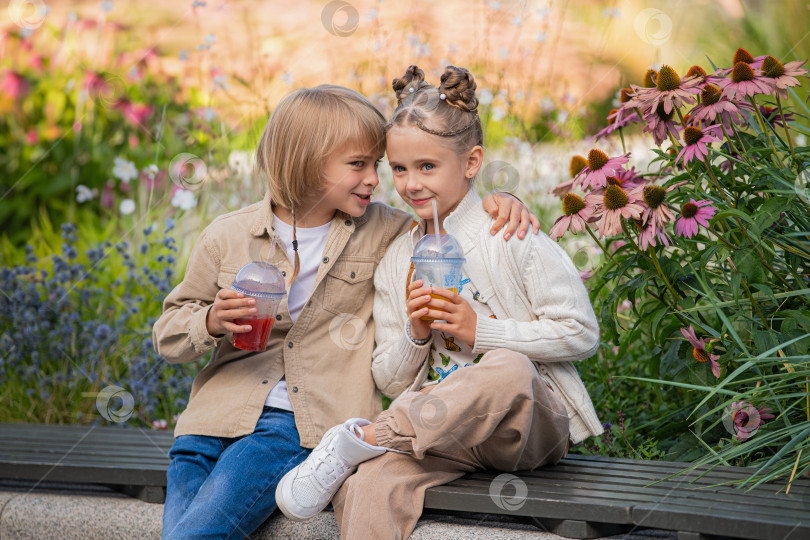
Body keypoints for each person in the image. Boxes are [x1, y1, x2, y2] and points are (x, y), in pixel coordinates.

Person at [153, 83, 538, 539]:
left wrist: (500, 201)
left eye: (375, 165)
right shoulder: (228, 235)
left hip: (294, 427)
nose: (375, 179)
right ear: (306, 163)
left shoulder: (384, 231)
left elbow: (447, 208)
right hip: (208, 421)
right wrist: (210, 321)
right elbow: (169, 337)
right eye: (358, 165)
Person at [275, 66, 603, 540]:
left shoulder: (507, 233)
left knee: (507, 366)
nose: (411, 184)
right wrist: (416, 332)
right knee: (368, 484)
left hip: (525, 428)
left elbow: (581, 332)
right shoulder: (397, 258)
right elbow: (389, 378)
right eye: (400, 169)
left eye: (428, 167)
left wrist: (479, 332)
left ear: (471, 163)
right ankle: (368, 450)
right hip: (439, 434)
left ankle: (368, 437)